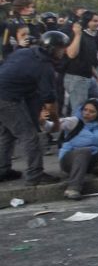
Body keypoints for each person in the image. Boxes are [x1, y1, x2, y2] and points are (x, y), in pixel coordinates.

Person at [0, 31, 70, 185]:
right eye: (61, 48)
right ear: (52, 48)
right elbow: (50, 101)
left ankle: (3, 170)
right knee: (30, 137)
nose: (64, 51)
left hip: (8, 95)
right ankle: (35, 175)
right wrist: (56, 123)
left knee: (7, 134)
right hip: (7, 99)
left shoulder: (25, 52)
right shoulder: (44, 67)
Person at [50, 98, 98, 200]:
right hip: (70, 160)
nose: (87, 113)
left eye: (92, 111)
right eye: (85, 110)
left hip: (90, 159)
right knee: (85, 150)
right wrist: (43, 122)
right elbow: (54, 126)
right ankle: (73, 188)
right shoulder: (74, 121)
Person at [63, 12, 98, 115]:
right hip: (76, 77)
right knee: (79, 110)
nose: (97, 24)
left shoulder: (91, 36)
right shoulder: (77, 34)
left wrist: (97, 77)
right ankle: (76, 130)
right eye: (95, 21)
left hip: (89, 76)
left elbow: (89, 59)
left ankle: (92, 128)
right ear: (86, 22)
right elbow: (71, 54)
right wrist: (78, 35)